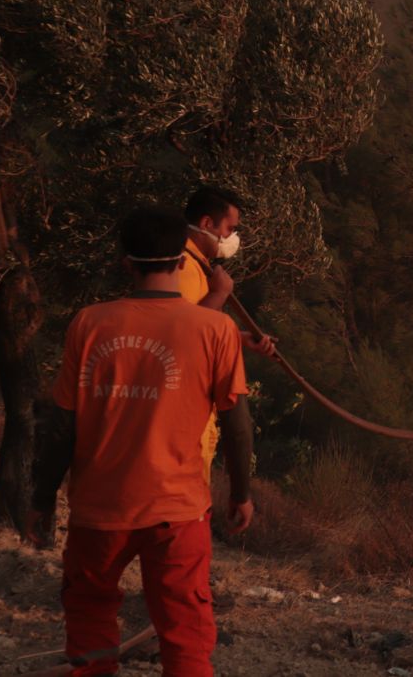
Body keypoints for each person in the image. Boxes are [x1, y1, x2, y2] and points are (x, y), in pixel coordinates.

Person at [27, 204, 254, 676]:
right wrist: (242, 493)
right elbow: (236, 424)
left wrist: (42, 498)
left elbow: (61, 424)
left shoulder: (89, 324)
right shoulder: (216, 328)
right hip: (178, 511)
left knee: (90, 619)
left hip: (97, 510)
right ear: (180, 260)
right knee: (185, 632)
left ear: (125, 262)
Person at [177, 185, 273, 487]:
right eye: (230, 229)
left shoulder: (198, 267)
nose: (233, 239)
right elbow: (182, 335)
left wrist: (240, 338)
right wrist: (220, 294)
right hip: (183, 430)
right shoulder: (181, 269)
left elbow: (203, 329)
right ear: (207, 224)